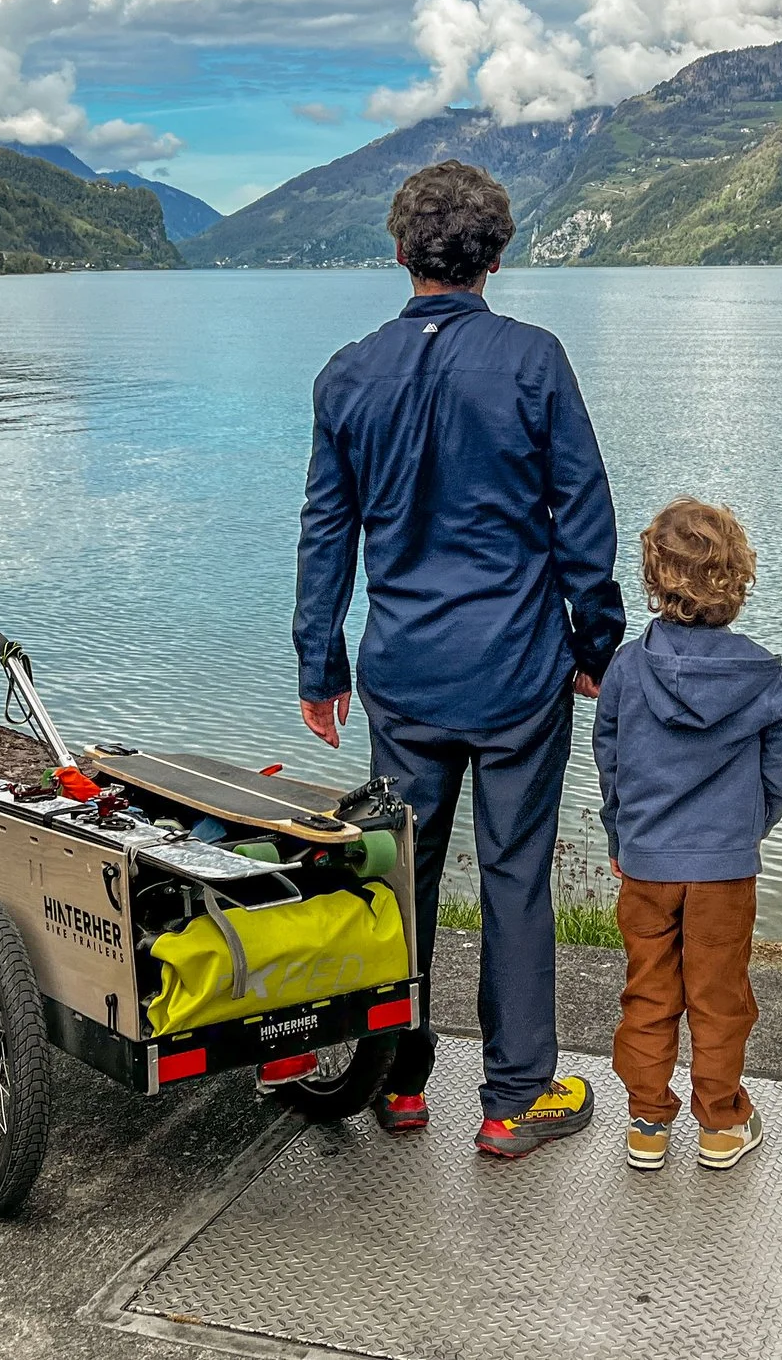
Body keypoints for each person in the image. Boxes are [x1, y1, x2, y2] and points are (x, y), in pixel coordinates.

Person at [295, 159, 627, 1160]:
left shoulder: (348, 374)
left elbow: (325, 532)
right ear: (498, 254)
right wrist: (595, 643)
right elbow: (583, 517)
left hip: (402, 677)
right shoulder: (534, 361)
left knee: (396, 879)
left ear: (399, 254)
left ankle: (396, 1079)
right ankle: (515, 1097)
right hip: (520, 672)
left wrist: (321, 664)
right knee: (516, 877)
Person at [593, 496, 782, 1173]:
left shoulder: (627, 670)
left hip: (648, 864)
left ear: (654, 578)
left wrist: (622, 836)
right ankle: (721, 1122)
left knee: (648, 993)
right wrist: (745, 831)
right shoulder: (763, 676)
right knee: (720, 997)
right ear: (736, 578)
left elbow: (611, 760)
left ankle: (648, 1122)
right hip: (724, 869)